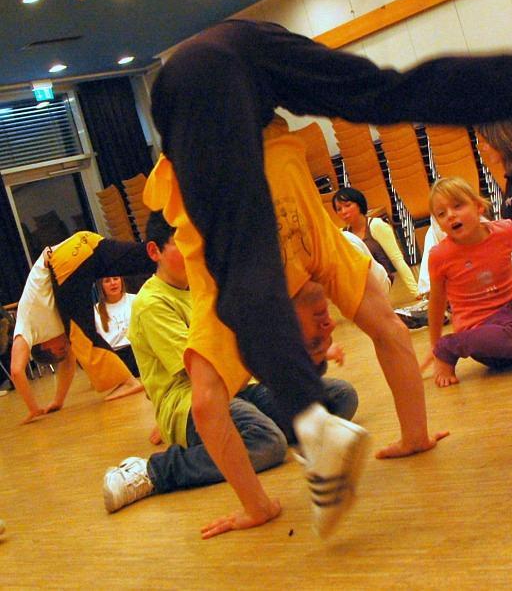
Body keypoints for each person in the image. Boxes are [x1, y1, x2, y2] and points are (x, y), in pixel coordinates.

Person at [147, 19, 512, 537]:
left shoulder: (226, 268)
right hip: (246, 47)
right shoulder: (326, 249)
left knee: (244, 283)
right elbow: (389, 329)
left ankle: (318, 434)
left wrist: (258, 503)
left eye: (313, 339)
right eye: (322, 338)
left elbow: (207, 403)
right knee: (379, 90)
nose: (324, 331)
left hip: (193, 85)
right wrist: (414, 434)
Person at [101, 213, 359, 530]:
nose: (195, 252)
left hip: (236, 387)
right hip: (191, 401)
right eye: (182, 244)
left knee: (339, 397)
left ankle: (260, 435)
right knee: (267, 444)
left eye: (196, 244)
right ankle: (154, 471)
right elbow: (200, 369)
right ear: (154, 251)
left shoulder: (204, 286)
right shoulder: (150, 303)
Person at [419, 177, 512, 387]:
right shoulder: (440, 255)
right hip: (482, 329)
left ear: (479, 207)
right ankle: (449, 347)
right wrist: (435, 346)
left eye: (457, 206)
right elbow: (437, 301)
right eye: (441, 214)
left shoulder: (505, 230)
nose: (450, 215)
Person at [8, 232, 150, 424]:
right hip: (85, 242)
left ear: (44, 345)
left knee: (83, 338)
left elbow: (16, 371)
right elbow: (68, 363)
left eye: (60, 348)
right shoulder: (60, 323)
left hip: (65, 261)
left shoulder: (26, 326)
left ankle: (128, 382)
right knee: (147, 255)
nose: (66, 346)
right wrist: (58, 401)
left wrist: (34, 409)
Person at [332, 187, 418, 307]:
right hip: (361, 283)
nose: (343, 212)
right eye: (339, 209)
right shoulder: (343, 234)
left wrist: (416, 292)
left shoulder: (376, 225)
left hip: (381, 279)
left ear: (359, 204)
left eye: (348, 205)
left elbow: (397, 260)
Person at [94, 276, 139, 377]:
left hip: (138, 352)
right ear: (101, 286)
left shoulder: (136, 300)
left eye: (115, 279)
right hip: (115, 359)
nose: (113, 283)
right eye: (107, 281)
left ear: (121, 281)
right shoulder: (96, 311)